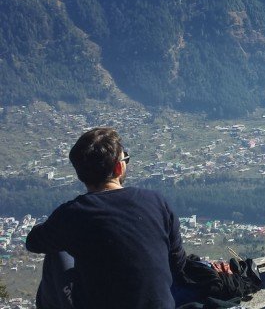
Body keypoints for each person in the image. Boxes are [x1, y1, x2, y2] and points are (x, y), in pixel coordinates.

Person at [26, 127, 188, 309]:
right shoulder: (157, 202)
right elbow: (177, 263)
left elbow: (33, 243)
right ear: (119, 167)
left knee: (57, 252)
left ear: (81, 175)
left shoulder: (73, 214)